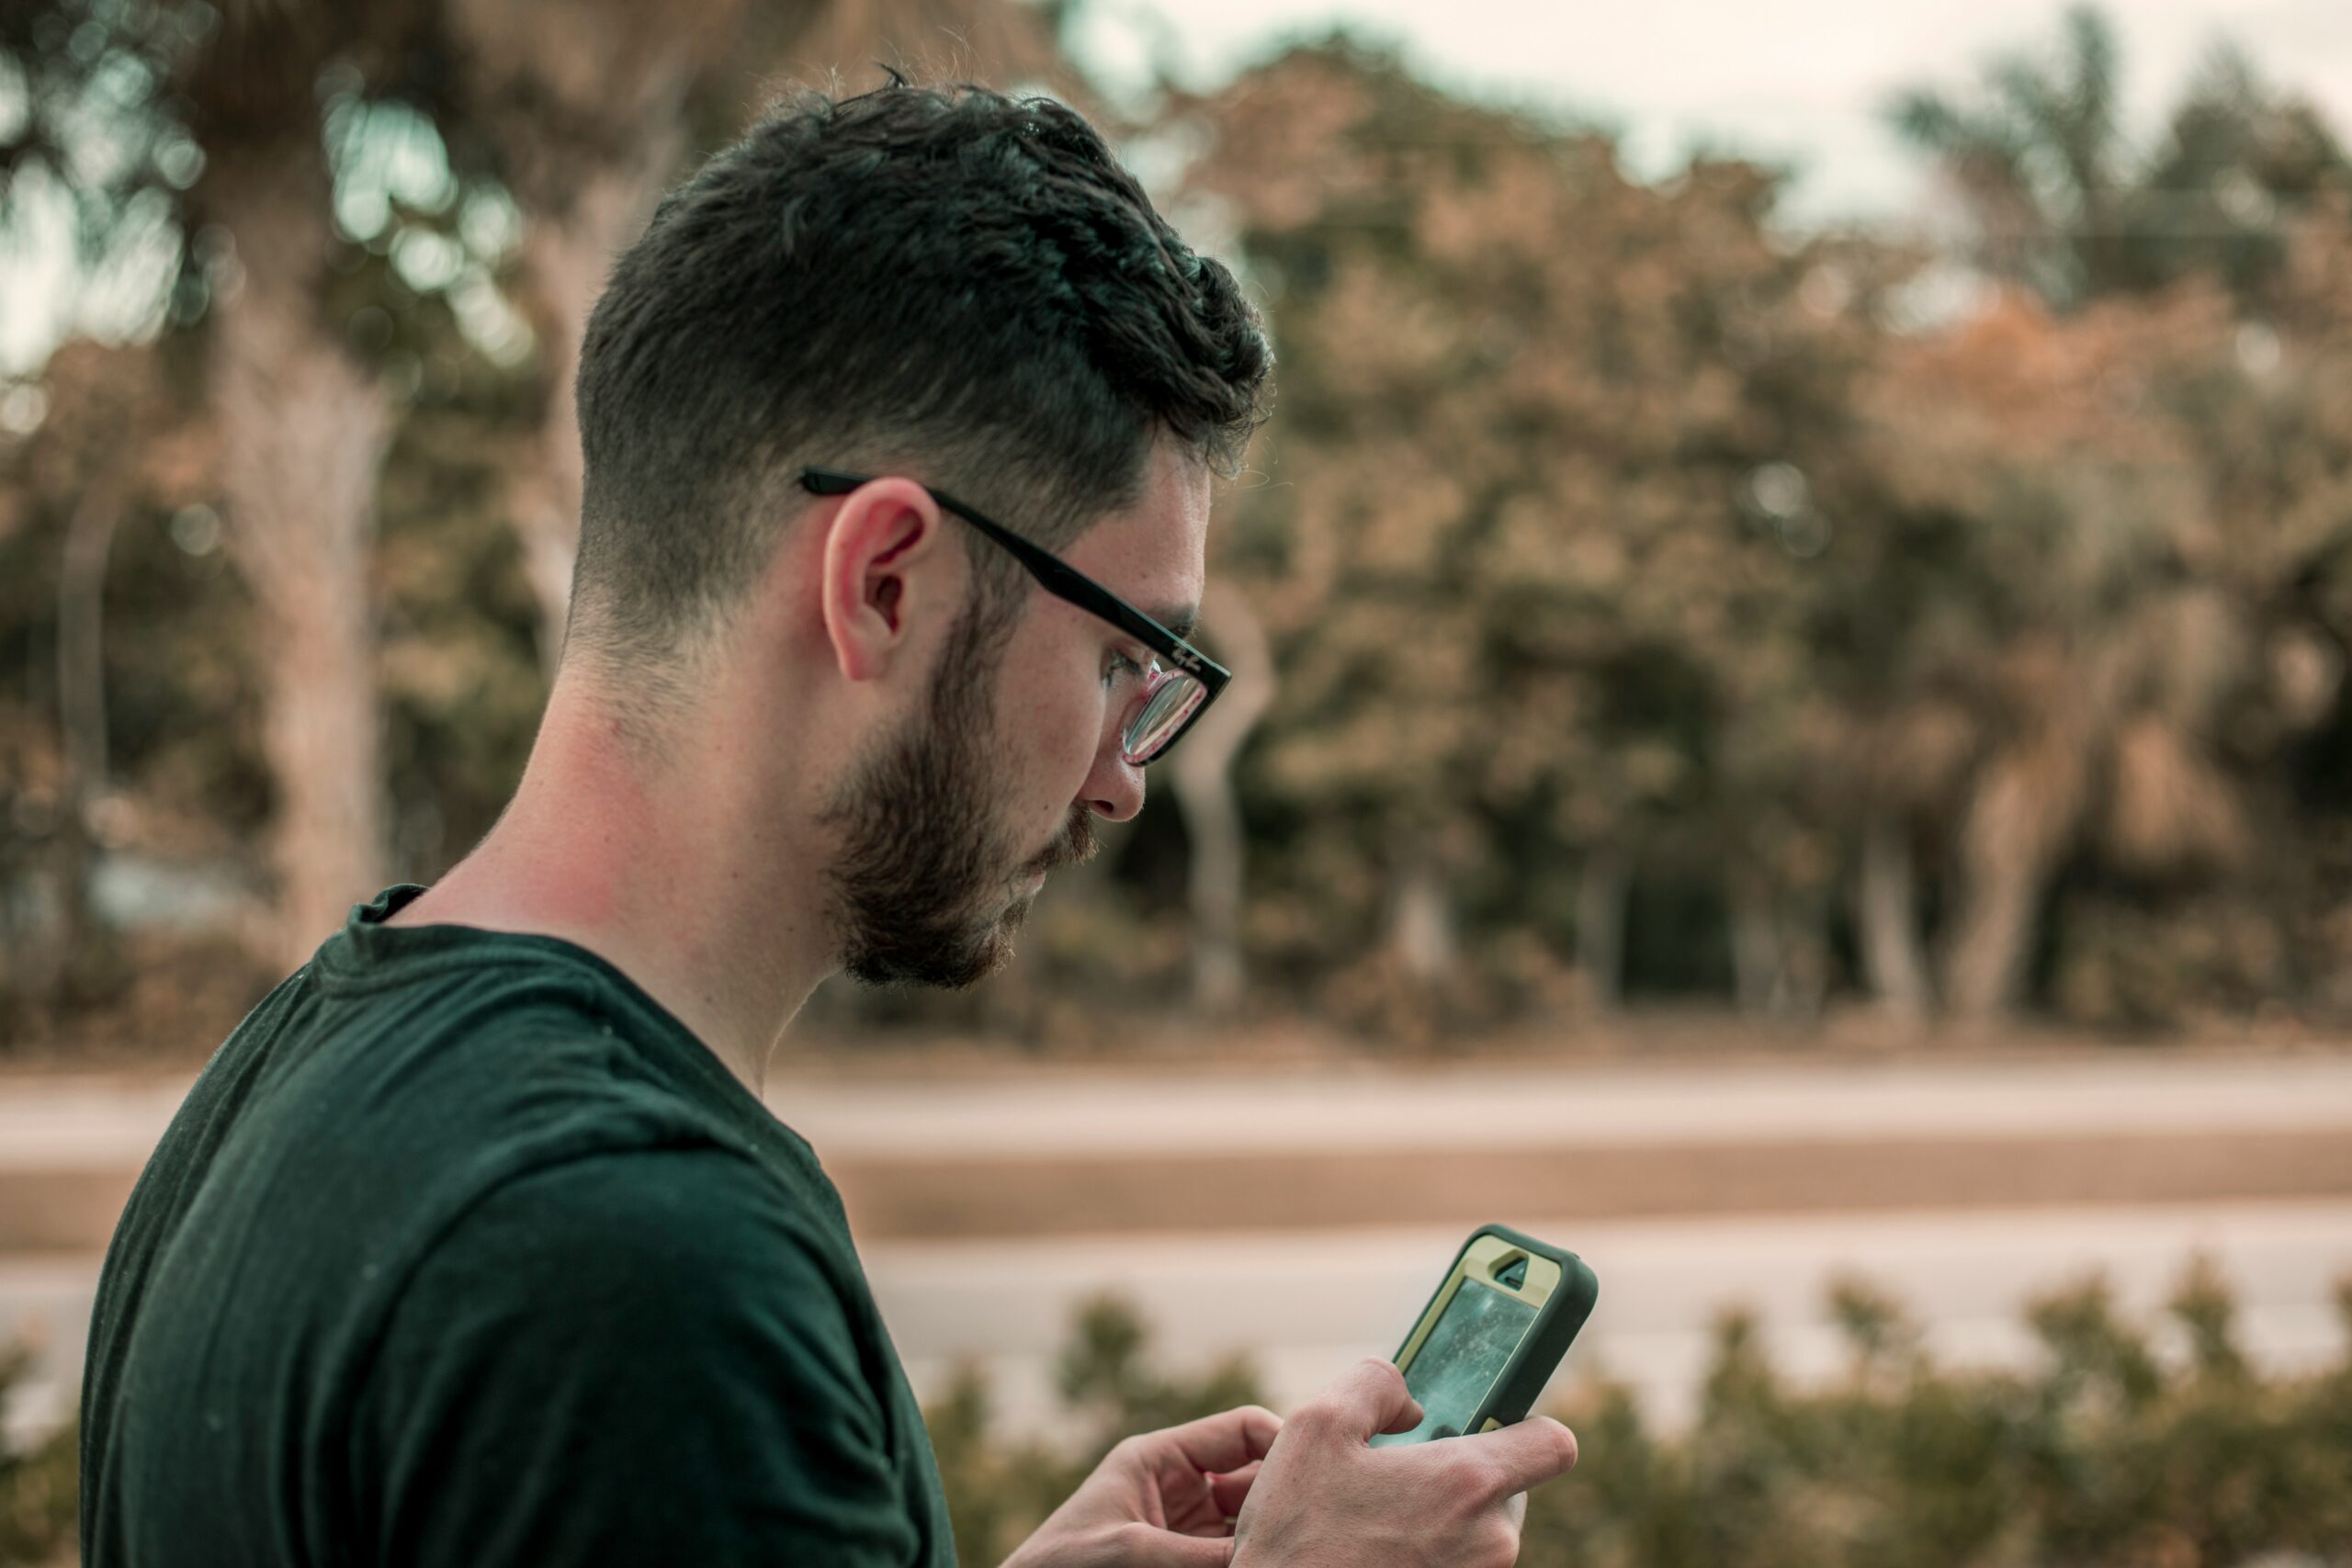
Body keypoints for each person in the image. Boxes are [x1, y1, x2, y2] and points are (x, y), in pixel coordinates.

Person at [78, 80, 1578, 1566]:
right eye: (1123, 659)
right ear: (882, 583)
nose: (1122, 778)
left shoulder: (304, 1067)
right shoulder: (641, 1262)